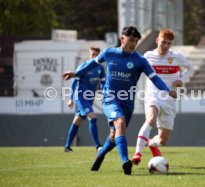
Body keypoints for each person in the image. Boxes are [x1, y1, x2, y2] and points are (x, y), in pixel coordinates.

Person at [62, 26, 177, 175]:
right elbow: (93, 63)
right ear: (122, 39)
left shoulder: (140, 60)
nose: (133, 44)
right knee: (120, 123)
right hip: (110, 99)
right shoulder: (109, 53)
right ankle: (125, 162)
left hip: (128, 103)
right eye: (131, 40)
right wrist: (76, 73)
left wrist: (168, 90)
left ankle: (101, 155)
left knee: (113, 136)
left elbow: (154, 78)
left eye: (136, 41)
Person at [132, 29, 193, 165]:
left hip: (169, 99)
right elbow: (136, 69)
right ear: (157, 40)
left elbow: (190, 68)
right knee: (150, 119)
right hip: (152, 95)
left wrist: (182, 80)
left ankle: (151, 143)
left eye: (169, 43)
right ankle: (137, 154)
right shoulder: (148, 56)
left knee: (162, 141)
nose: (165, 46)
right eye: (163, 42)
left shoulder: (176, 57)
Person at [64, 47, 105, 152]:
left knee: (77, 121)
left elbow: (103, 83)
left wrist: (105, 94)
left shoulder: (100, 68)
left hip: (90, 98)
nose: (94, 56)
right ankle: (98, 146)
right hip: (81, 97)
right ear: (89, 55)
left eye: (96, 55)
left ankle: (67, 147)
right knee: (92, 117)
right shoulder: (84, 66)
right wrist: (70, 99)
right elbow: (74, 82)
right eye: (92, 54)